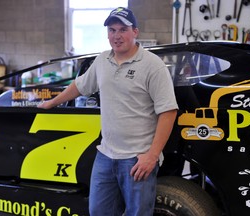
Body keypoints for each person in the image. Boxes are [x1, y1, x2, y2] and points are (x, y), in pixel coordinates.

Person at [38, 7, 178, 216]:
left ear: (135, 32)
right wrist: (51, 103)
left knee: (137, 213)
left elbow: (168, 112)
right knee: (99, 212)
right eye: (112, 30)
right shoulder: (103, 60)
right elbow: (80, 85)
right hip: (106, 155)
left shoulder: (152, 66)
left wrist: (152, 155)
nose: (116, 36)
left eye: (122, 30)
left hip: (137, 158)